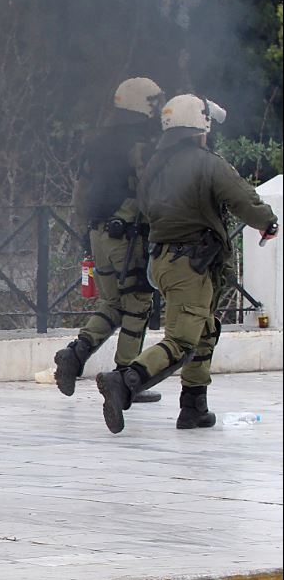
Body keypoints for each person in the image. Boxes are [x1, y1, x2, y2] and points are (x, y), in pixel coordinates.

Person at [95, 94, 278, 434]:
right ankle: (125, 381)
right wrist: (269, 222)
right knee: (181, 342)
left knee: (205, 330)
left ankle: (194, 407)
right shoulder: (207, 163)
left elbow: (149, 210)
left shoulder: (153, 164)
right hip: (191, 265)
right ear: (201, 127)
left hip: (163, 261)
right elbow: (244, 199)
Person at [53, 78, 165, 403]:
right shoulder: (141, 144)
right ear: (142, 105)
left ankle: (75, 354)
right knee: (138, 303)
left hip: (97, 234)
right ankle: (125, 378)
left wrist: (87, 233)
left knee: (112, 303)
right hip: (126, 237)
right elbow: (147, 190)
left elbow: (80, 194)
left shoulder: (96, 140)